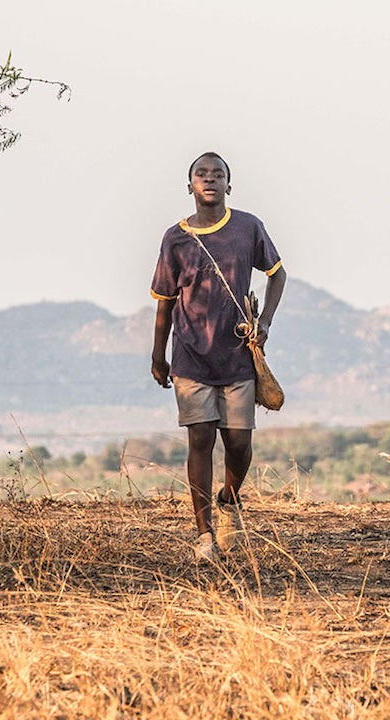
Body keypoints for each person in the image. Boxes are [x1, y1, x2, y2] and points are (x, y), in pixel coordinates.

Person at [149, 152, 287, 561]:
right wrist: (159, 357)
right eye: (201, 174)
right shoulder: (174, 238)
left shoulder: (248, 228)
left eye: (218, 174)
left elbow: (277, 273)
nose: (209, 180)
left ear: (230, 183)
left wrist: (266, 323)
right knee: (200, 439)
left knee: (239, 443)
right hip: (190, 355)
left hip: (237, 354)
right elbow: (164, 303)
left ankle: (229, 499)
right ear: (189, 184)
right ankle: (205, 534)